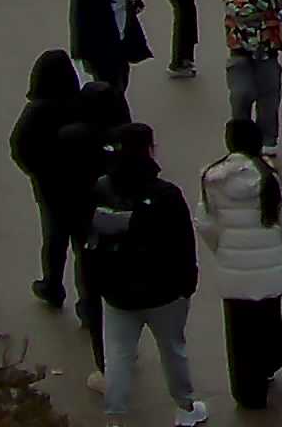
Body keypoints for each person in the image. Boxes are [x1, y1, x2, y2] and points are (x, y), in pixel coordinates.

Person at [87, 122, 208, 426]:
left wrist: (96, 283)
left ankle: (115, 417)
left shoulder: (101, 189)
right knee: (172, 349)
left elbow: (90, 241)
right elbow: (183, 243)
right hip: (164, 291)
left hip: (117, 292)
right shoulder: (167, 194)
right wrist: (187, 284)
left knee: (117, 356)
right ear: (149, 149)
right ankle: (185, 408)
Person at [193, 117, 282, 410]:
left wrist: (223, 247)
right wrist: (274, 246)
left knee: (240, 334)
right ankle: (270, 363)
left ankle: (248, 393)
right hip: (270, 268)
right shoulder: (271, 178)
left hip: (233, 271)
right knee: (268, 318)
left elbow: (204, 223)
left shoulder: (212, 179)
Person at [14, 49, 116, 311]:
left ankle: (52, 286)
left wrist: (38, 172)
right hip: (85, 186)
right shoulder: (81, 103)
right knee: (84, 245)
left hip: (51, 189)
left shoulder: (36, 112)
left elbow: (19, 149)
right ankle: (88, 302)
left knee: (54, 240)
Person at [221, 0, 282, 151]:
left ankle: (268, 143)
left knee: (269, 99)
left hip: (268, 50)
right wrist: (263, 3)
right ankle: (240, 143)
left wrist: (250, 0)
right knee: (241, 95)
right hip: (241, 51)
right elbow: (236, 9)